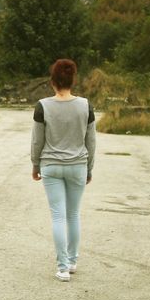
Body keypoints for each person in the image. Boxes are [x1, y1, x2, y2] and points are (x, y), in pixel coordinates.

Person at [31, 58, 96, 282]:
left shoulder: (42, 106)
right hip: (77, 165)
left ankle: (62, 268)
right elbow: (91, 141)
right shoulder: (86, 106)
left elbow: (37, 141)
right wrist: (89, 168)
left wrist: (35, 164)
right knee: (73, 214)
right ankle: (73, 260)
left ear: (52, 82)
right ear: (72, 80)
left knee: (58, 216)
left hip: (51, 166)